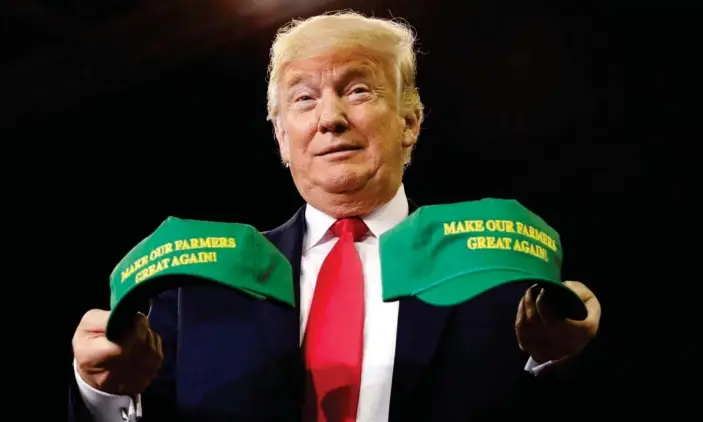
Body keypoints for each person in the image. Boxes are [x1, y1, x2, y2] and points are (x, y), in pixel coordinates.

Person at [69, 11, 603, 422]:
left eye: (358, 90)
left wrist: (558, 362)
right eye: (303, 99)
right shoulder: (197, 287)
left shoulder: (497, 274)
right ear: (282, 138)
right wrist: (104, 394)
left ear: (410, 122)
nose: (330, 119)